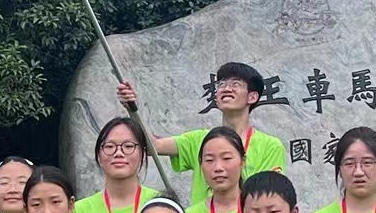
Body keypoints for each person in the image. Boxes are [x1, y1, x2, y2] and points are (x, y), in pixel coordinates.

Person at [116, 61, 287, 205]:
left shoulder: (270, 146)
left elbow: (268, 197)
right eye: (221, 84)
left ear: (252, 97)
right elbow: (153, 146)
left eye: (235, 84)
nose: (226, 88)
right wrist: (132, 108)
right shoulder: (199, 139)